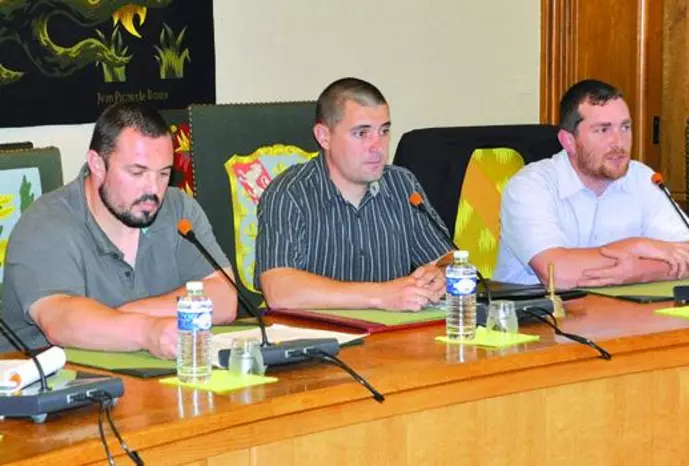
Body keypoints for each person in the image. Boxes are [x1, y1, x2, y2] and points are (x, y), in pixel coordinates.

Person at [2, 103, 236, 357]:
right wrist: (148, 332)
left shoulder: (178, 210)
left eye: (163, 174)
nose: (153, 190)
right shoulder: (45, 223)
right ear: (97, 165)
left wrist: (120, 316)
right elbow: (61, 322)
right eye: (137, 172)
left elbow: (224, 298)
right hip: (52, 384)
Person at [255, 77, 452, 311]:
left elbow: (448, 259)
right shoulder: (290, 193)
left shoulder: (403, 185)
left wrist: (439, 276)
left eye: (384, 131)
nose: (378, 147)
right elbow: (279, 291)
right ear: (324, 136)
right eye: (361, 133)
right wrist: (380, 296)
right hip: (317, 341)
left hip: (391, 339)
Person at [494, 79, 689, 288]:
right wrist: (638, 246)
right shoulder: (530, 187)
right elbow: (558, 274)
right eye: (603, 130)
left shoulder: (642, 179)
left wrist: (639, 272)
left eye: (625, 127)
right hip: (539, 318)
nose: (618, 142)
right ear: (568, 141)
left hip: (617, 316)